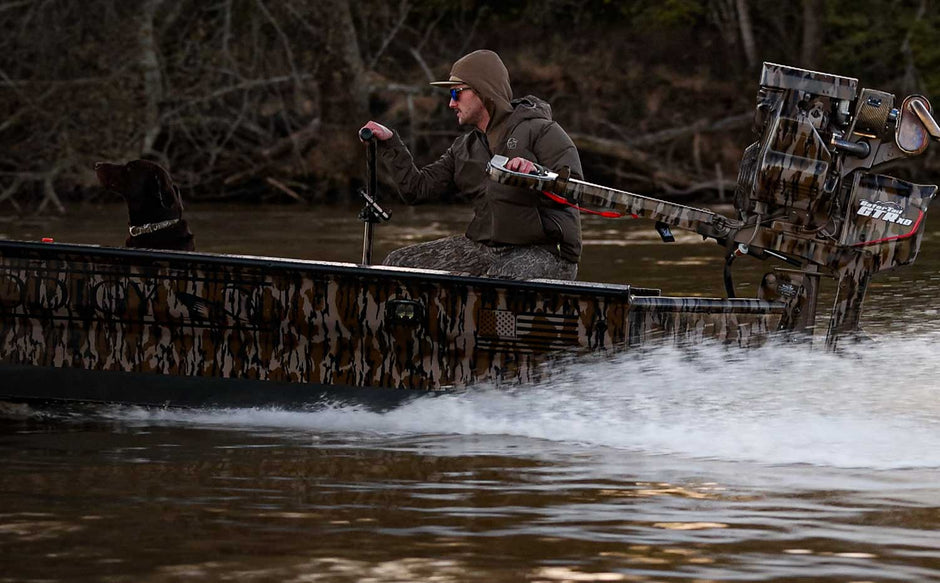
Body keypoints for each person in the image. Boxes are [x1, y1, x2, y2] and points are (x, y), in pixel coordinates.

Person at [360, 49, 583, 280]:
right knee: (398, 263)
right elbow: (417, 189)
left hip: (548, 253)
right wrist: (390, 143)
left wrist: (538, 173)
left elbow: (575, 188)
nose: (451, 103)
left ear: (483, 91)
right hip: (487, 249)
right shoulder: (463, 148)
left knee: (501, 276)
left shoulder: (543, 130)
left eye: (456, 93)